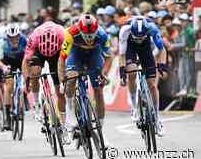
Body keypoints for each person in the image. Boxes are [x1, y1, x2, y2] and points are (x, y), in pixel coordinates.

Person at [58, 14, 112, 144]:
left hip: (94, 54)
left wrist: (104, 73)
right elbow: (62, 59)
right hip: (75, 54)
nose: (89, 39)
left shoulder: (103, 35)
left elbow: (109, 57)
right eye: (86, 36)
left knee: (98, 89)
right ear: (80, 30)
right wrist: (61, 81)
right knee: (71, 78)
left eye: (92, 36)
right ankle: (71, 113)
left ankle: (101, 131)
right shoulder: (70, 34)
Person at [118, 16, 168, 137]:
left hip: (147, 48)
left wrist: (162, 65)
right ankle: (134, 107)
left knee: (152, 84)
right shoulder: (125, 30)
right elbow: (121, 54)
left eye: (141, 37)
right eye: (137, 37)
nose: (139, 39)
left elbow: (162, 49)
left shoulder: (152, 28)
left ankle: (157, 118)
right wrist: (122, 72)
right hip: (130, 46)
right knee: (132, 72)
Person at [21, 21, 66, 129]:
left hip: (57, 54)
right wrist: (27, 79)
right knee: (35, 73)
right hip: (38, 52)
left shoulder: (62, 34)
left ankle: (63, 121)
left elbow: (67, 57)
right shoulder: (34, 37)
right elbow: (25, 61)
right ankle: (36, 103)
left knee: (60, 90)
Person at [0, 23, 27, 130]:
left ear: (19, 35)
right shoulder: (2, 42)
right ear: (7, 37)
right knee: (9, 86)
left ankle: (23, 96)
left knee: (27, 78)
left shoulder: (24, 40)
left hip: (21, 61)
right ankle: (7, 117)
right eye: (11, 38)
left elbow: (29, 58)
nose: (14, 40)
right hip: (7, 63)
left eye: (16, 37)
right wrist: (4, 68)